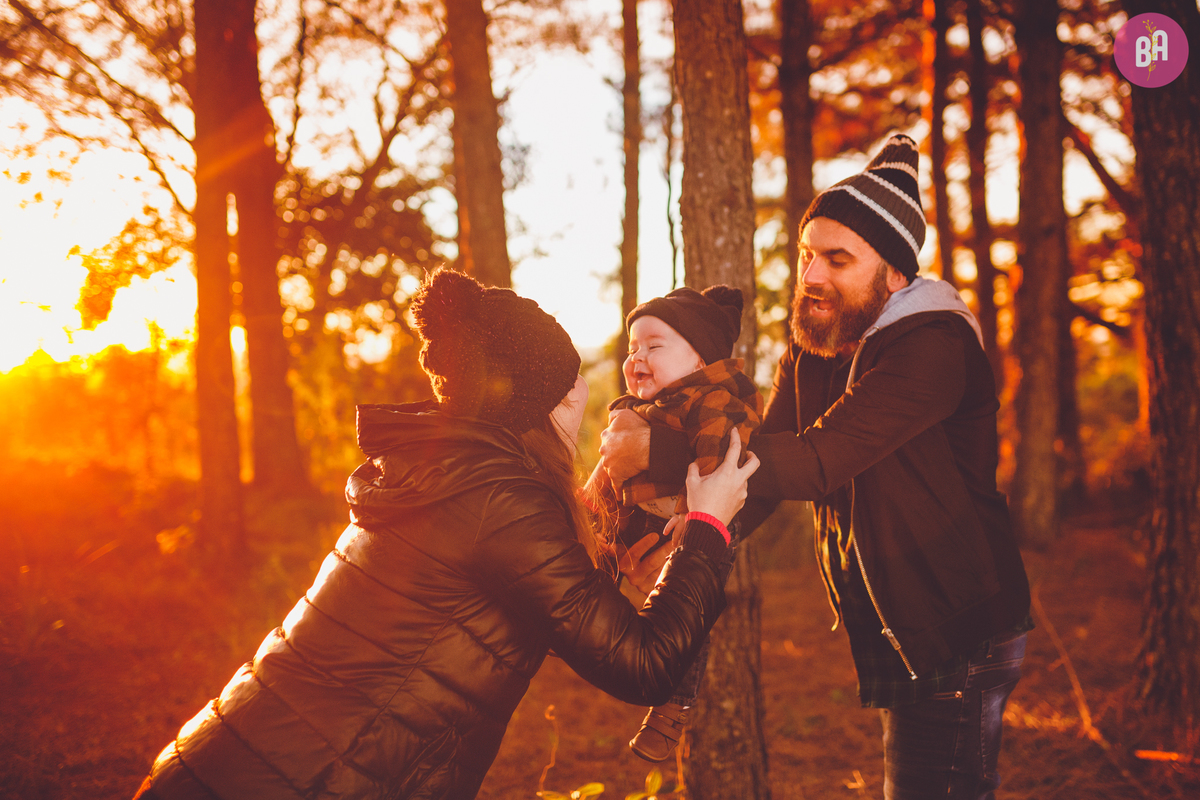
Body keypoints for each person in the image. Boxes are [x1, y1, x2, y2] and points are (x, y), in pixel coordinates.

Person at [133, 269, 759, 800]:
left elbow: (495, 613)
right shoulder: (500, 499)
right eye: (573, 400)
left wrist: (636, 574)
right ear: (532, 408)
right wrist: (707, 526)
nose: (584, 417)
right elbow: (643, 667)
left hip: (233, 760)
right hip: (300, 779)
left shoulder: (438, 471)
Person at [599, 133, 1032, 800]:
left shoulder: (934, 348)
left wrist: (657, 451)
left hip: (957, 623)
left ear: (894, 274)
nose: (812, 277)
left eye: (837, 259)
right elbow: (761, 455)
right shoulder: (819, 343)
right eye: (807, 256)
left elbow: (820, 459)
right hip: (900, 614)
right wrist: (691, 532)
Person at [588, 284, 761, 763]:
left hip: (700, 525)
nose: (637, 357)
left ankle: (671, 708)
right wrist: (588, 507)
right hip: (640, 518)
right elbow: (607, 471)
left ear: (699, 359)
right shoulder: (632, 408)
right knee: (591, 565)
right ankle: (574, 623)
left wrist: (696, 520)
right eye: (632, 348)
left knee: (690, 614)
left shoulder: (712, 402)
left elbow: (716, 462)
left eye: (654, 346)